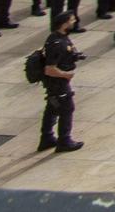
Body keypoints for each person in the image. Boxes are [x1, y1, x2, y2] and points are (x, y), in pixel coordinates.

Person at [37, 10, 84, 153]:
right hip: (58, 82)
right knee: (67, 108)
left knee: (52, 107)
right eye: (71, 20)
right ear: (64, 24)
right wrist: (65, 75)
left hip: (57, 82)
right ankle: (64, 140)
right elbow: (49, 69)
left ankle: (47, 138)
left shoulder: (60, 37)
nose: (74, 22)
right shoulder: (57, 43)